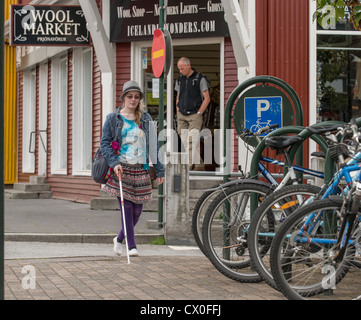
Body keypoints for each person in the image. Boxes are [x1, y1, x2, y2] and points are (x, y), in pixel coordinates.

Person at [100, 81, 164, 257]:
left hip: (141, 169)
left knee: (137, 210)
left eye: (136, 97)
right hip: (122, 168)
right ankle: (132, 246)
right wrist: (114, 163)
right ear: (123, 98)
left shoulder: (146, 119)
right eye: (130, 96)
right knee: (126, 207)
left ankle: (119, 238)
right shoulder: (113, 119)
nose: (133, 99)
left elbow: (153, 146)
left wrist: (159, 170)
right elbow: (104, 144)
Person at [175, 57, 211, 171]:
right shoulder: (180, 79)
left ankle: (189, 167)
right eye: (179, 69)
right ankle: (199, 165)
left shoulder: (200, 79)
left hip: (195, 115)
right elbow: (178, 96)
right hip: (182, 114)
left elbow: (207, 98)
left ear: (188, 66)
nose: (180, 71)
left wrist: (199, 113)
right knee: (186, 142)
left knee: (191, 141)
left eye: (182, 69)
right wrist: (177, 109)